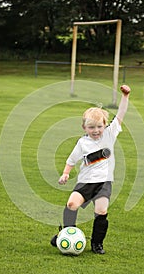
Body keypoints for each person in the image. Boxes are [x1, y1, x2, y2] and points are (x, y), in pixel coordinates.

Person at [51, 84, 131, 254]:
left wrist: (125, 96)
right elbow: (71, 160)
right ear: (84, 128)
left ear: (105, 125)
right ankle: (65, 234)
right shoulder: (82, 143)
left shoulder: (109, 134)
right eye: (91, 127)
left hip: (103, 184)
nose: (96, 131)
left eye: (99, 127)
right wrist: (65, 173)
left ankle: (97, 244)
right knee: (72, 203)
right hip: (85, 183)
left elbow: (121, 115)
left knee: (101, 210)